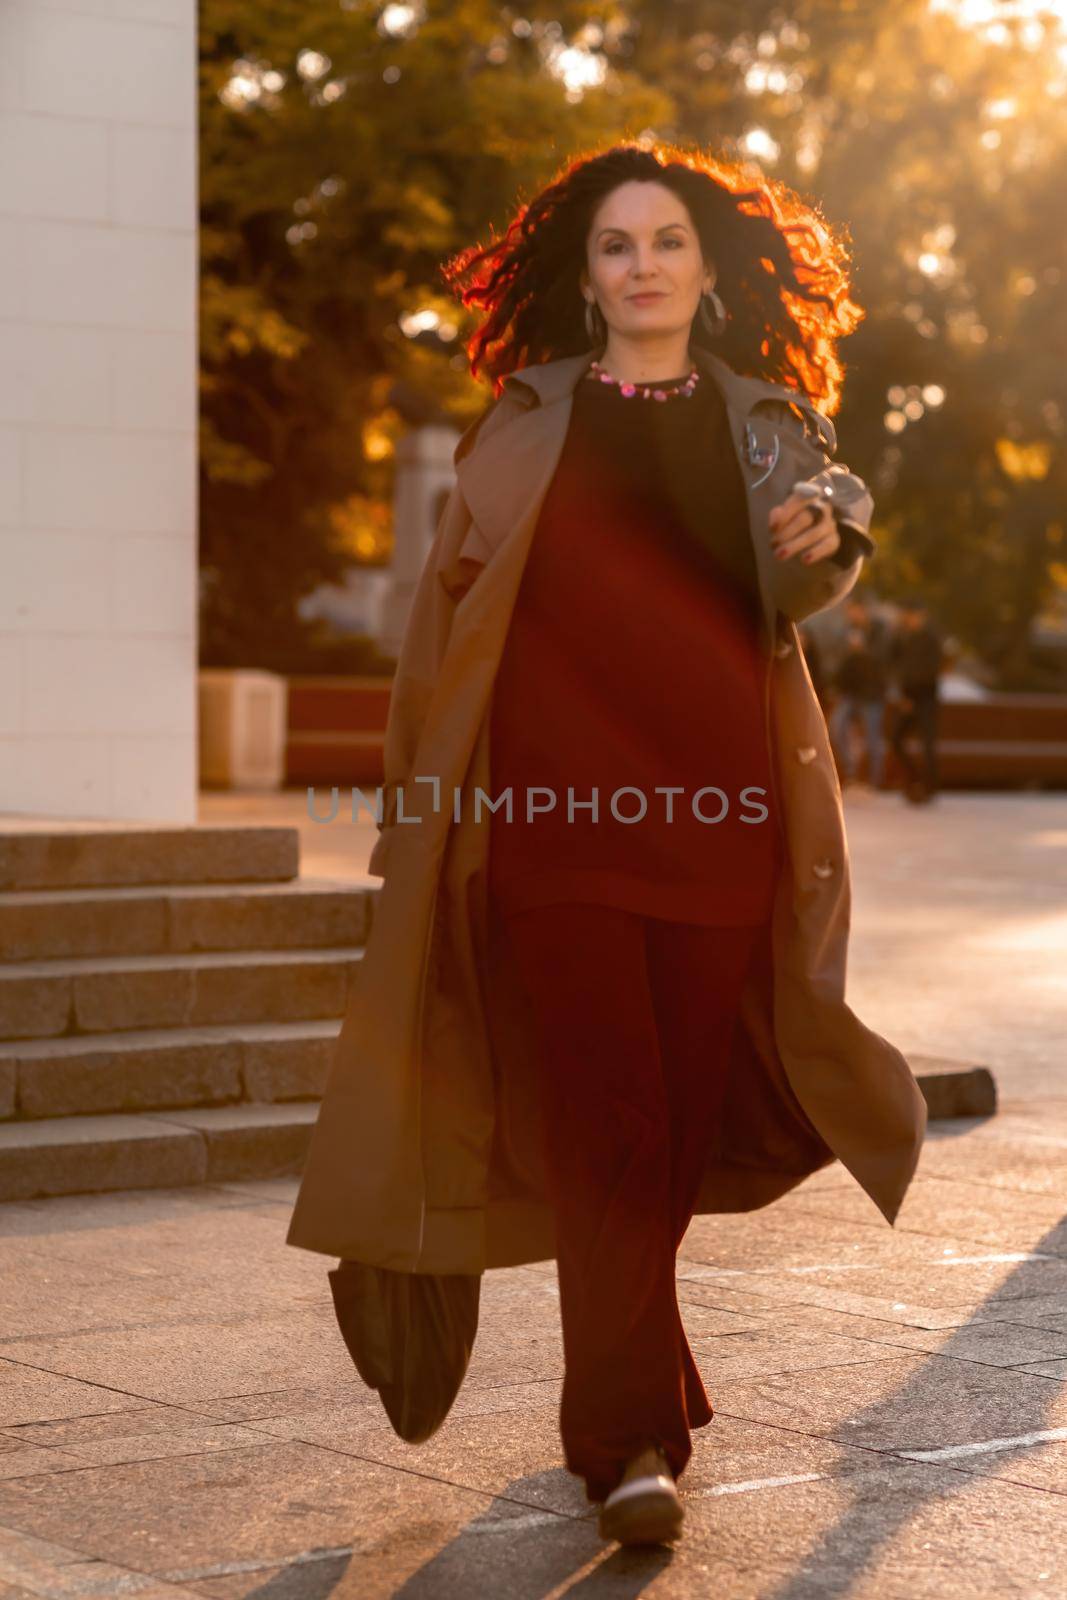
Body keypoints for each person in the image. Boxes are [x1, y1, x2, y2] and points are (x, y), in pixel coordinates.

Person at [285, 143, 927, 1554]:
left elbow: (817, 553)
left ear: (710, 271)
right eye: (615, 246)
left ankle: (650, 1379)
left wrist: (831, 530)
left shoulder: (765, 423)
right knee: (610, 1122)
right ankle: (622, 1443)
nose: (641, 265)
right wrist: (410, 824)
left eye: (667, 241)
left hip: (721, 826)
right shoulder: (518, 426)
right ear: (583, 280)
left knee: (674, 1125)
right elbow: (436, 642)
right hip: (549, 831)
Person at [829, 598, 890, 789]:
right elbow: (842, 663)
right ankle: (851, 772)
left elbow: (882, 661)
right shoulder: (847, 631)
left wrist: (862, 650)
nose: (852, 616)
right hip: (851, 692)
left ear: (863, 611)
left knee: (872, 737)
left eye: (855, 611)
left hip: (872, 694)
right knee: (836, 728)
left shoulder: (878, 631)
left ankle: (874, 780)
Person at [888, 597, 944, 803]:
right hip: (908, 698)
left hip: (925, 698)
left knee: (928, 744)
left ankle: (929, 788)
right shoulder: (903, 637)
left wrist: (911, 695)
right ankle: (913, 779)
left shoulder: (931, 639)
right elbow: (893, 663)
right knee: (896, 739)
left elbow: (930, 671)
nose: (910, 620)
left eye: (913, 616)